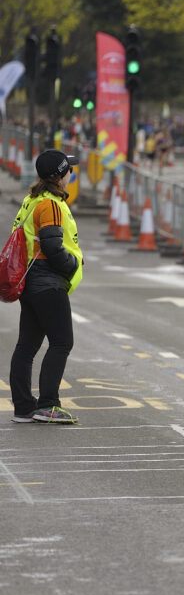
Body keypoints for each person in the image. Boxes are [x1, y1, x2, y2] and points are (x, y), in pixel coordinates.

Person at [9, 150, 84, 424]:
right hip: (46, 279)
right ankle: (48, 405)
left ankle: (23, 407)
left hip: (30, 280)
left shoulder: (31, 201)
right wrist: (72, 265)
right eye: (69, 170)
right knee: (62, 341)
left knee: (27, 346)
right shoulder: (50, 205)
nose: (72, 175)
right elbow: (52, 246)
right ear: (60, 176)